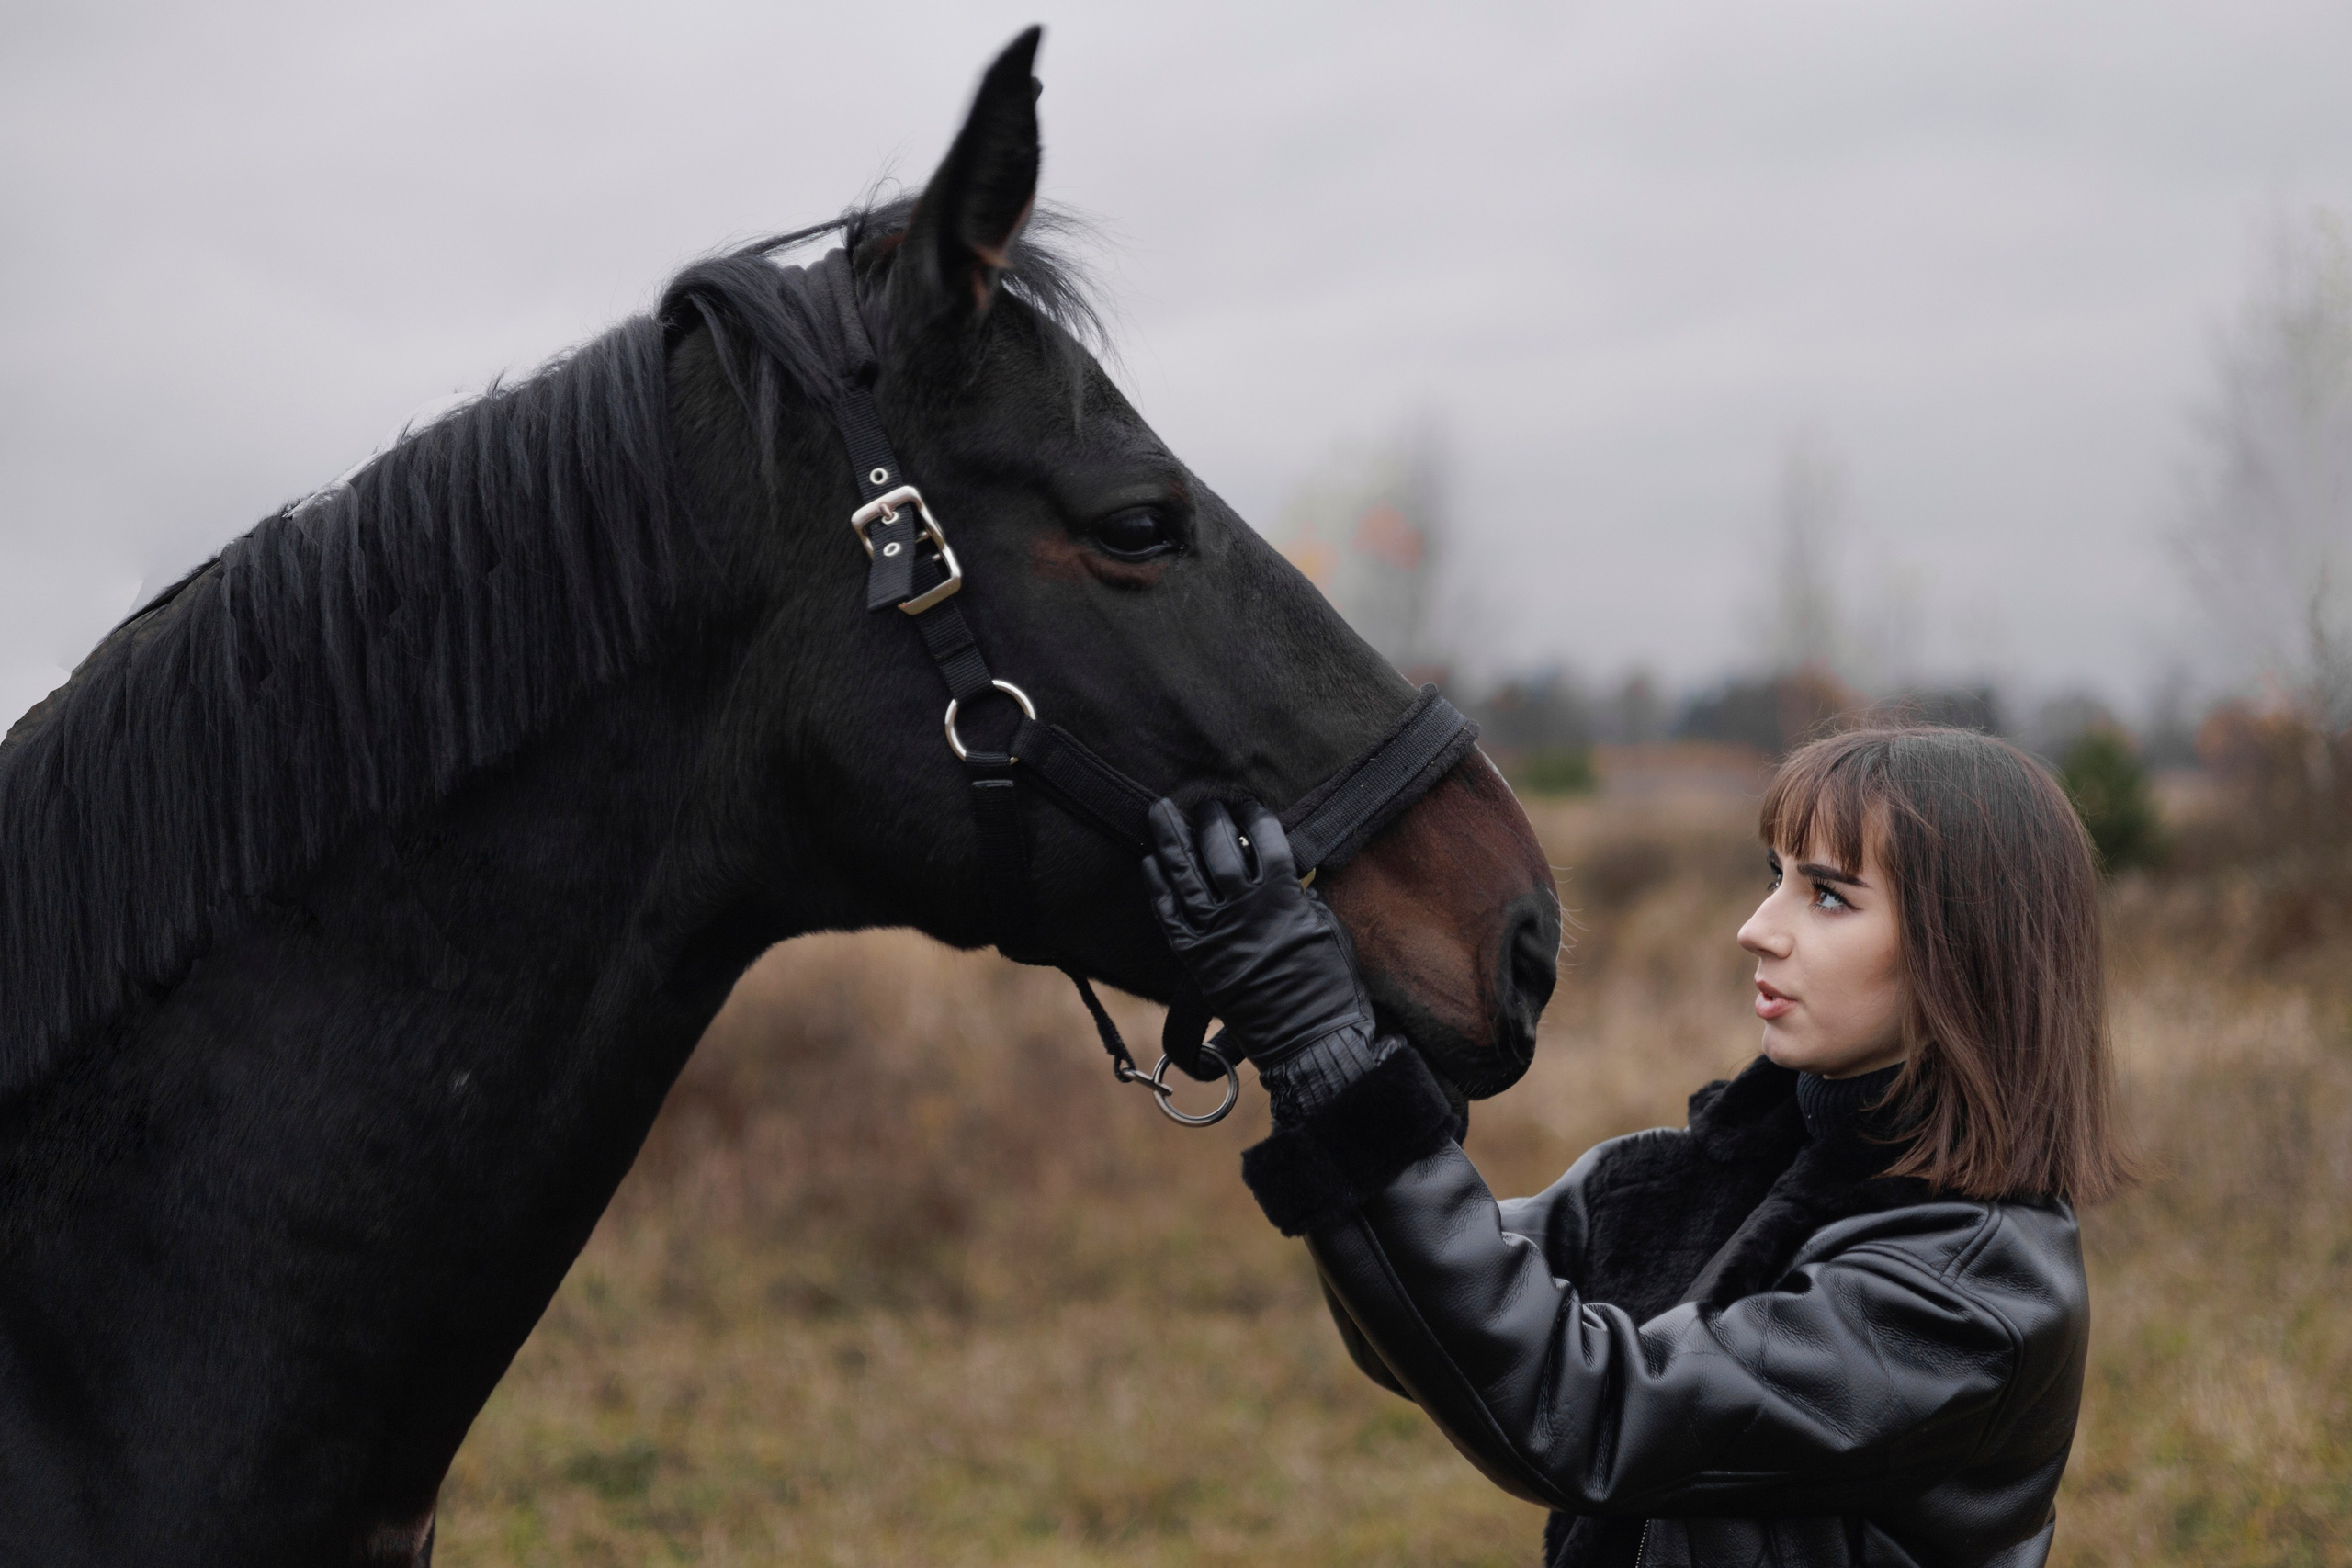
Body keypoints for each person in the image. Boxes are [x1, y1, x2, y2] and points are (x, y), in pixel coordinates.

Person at [1142, 726, 2131, 1568]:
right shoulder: (1695, 1179)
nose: (1756, 929)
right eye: (1771, 879)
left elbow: (1585, 1413)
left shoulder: (1971, 1300)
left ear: (1967, 948)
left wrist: (1334, 1061)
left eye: (1827, 895)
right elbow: (1424, 1331)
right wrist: (1340, 1034)